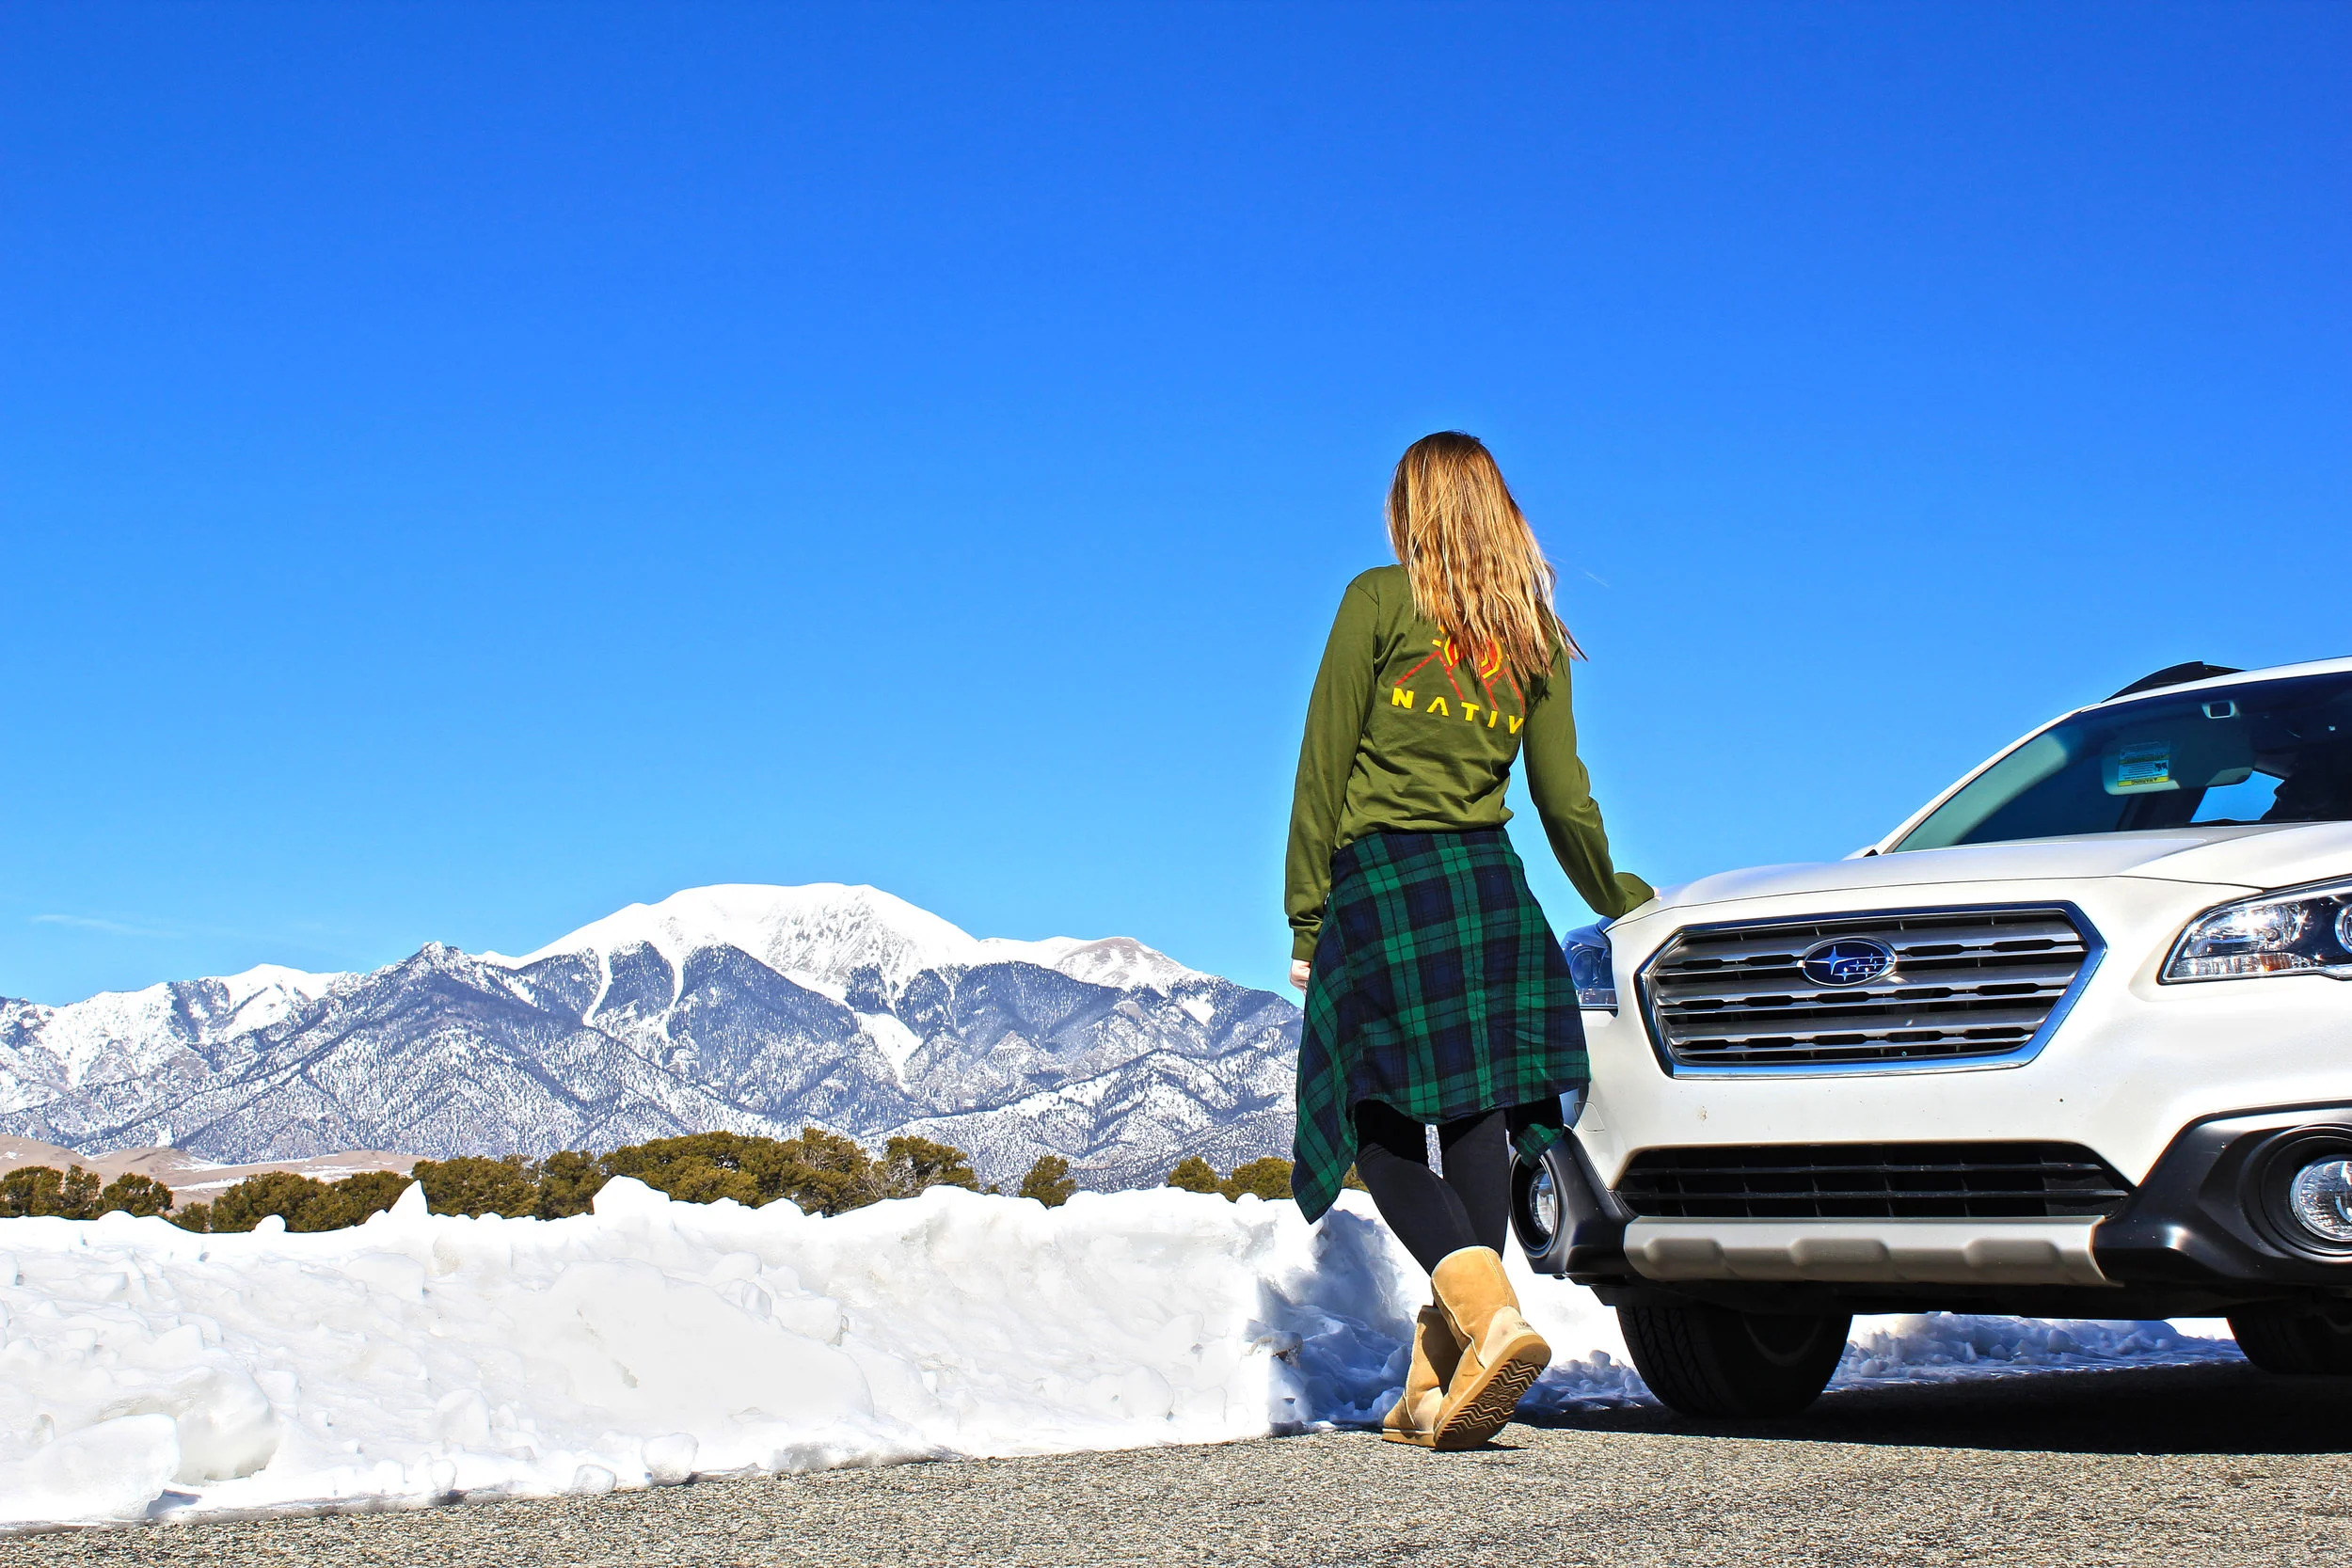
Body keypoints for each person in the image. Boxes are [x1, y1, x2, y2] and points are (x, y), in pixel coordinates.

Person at [1284, 431, 1653, 1450]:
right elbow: (1563, 796)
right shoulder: (1529, 630)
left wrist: (1305, 914)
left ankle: (1490, 1317)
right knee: (1478, 1120)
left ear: (1416, 509)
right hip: (1488, 888)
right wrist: (1618, 890)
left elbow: (1323, 766)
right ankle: (1437, 1379)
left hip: (1384, 881)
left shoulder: (1374, 599)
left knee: (1375, 1121)